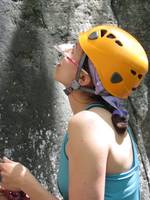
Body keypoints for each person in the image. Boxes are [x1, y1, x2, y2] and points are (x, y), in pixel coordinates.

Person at [0, 24, 148, 200]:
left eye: (73, 51)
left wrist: (26, 181)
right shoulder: (111, 119)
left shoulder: (88, 125)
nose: (65, 51)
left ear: (83, 78)